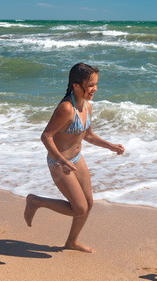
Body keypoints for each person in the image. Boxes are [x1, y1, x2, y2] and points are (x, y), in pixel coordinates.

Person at [24, 63, 124, 253]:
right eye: (91, 85)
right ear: (77, 85)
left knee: (89, 203)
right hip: (59, 163)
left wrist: (110, 146)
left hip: (76, 159)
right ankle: (36, 201)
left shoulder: (87, 106)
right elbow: (46, 136)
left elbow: (87, 135)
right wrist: (62, 161)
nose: (95, 89)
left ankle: (71, 242)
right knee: (79, 208)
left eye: (96, 84)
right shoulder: (66, 108)